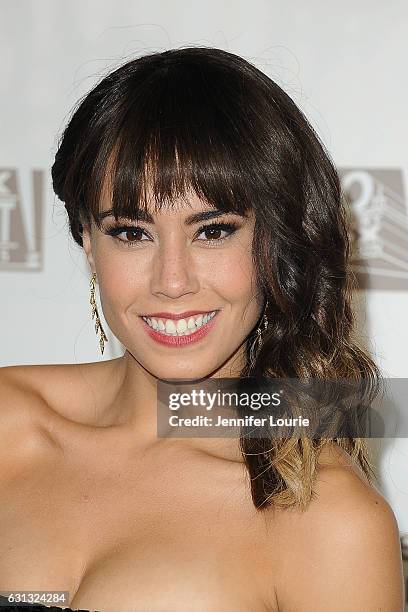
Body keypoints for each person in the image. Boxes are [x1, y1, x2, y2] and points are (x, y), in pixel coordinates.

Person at [0, 46, 404, 612]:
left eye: (212, 231)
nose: (172, 281)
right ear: (88, 243)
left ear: (276, 244)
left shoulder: (327, 519)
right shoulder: (8, 420)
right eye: (131, 232)